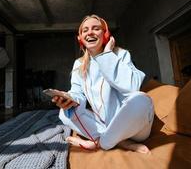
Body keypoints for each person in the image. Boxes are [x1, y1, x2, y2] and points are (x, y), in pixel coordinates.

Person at [52, 14, 154, 153]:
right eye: (85, 30)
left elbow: (131, 87)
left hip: (133, 127)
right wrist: (69, 100)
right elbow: (77, 93)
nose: (90, 33)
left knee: (142, 100)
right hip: (104, 125)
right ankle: (119, 142)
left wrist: (107, 54)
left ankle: (101, 142)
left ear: (105, 35)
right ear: (80, 38)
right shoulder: (79, 64)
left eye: (96, 28)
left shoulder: (120, 54)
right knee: (65, 113)